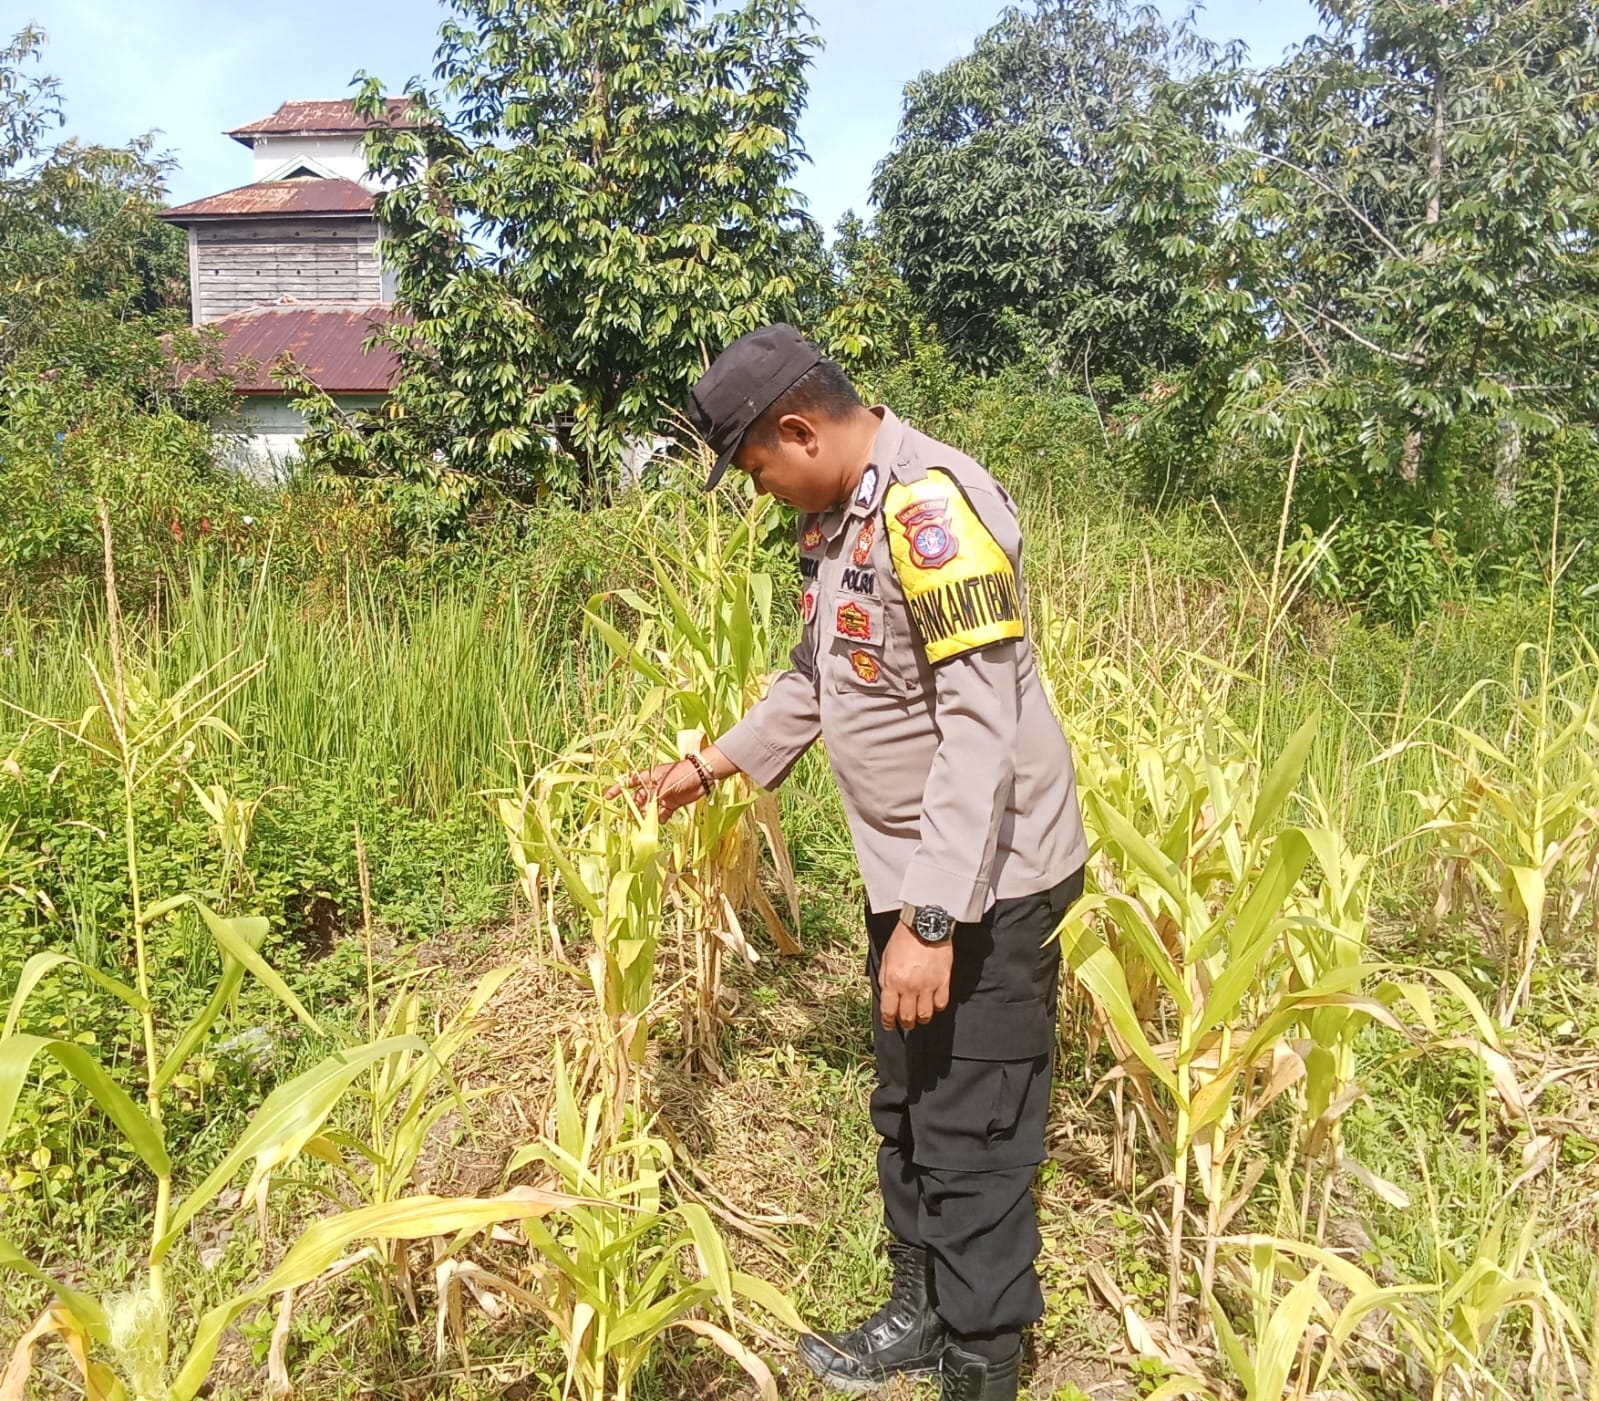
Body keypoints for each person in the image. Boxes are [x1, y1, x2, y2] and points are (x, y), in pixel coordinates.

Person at [615, 324, 1088, 1401]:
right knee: (911, 1105)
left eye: (756, 470)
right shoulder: (839, 519)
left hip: (987, 886)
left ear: (798, 429)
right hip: (913, 872)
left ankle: (981, 1366)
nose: (760, 490)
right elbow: (816, 676)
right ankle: (922, 1312)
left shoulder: (929, 509)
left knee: (976, 1131)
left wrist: (933, 927)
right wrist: (713, 768)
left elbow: (984, 731)